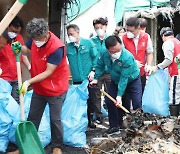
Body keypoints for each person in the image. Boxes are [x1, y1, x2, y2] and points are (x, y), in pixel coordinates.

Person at [18, 18, 69, 154]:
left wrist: (28, 82)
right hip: (40, 89)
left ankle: (57, 146)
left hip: (56, 89)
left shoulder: (57, 48)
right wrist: (18, 48)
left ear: (46, 34)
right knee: (33, 117)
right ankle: (25, 146)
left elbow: (48, 72)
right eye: (34, 39)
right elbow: (26, 50)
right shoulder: (35, 38)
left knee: (55, 119)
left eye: (38, 39)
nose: (36, 42)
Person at [90, 35, 142, 134]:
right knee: (109, 101)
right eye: (113, 52)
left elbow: (124, 78)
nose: (117, 53)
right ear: (108, 50)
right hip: (115, 79)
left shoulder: (127, 57)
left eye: (119, 50)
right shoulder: (103, 53)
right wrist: (96, 78)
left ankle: (138, 127)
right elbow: (100, 66)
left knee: (136, 102)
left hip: (132, 79)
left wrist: (119, 96)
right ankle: (114, 126)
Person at [66, 24, 98, 128]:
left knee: (91, 100)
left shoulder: (88, 43)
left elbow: (95, 57)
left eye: (72, 34)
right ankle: (80, 121)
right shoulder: (68, 47)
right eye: (68, 34)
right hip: (76, 79)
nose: (70, 36)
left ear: (78, 32)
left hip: (88, 78)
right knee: (78, 101)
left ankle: (90, 120)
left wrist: (93, 70)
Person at [0, 16, 31, 104]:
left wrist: (29, 66)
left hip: (17, 76)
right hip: (4, 77)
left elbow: (22, 54)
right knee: (4, 102)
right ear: (7, 27)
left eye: (17, 32)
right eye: (13, 31)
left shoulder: (19, 38)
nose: (15, 34)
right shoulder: (2, 39)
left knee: (16, 101)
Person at [122, 17, 153, 93]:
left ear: (138, 28)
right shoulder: (123, 37)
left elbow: (149, 52)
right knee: (126, 98)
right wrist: (132, 62)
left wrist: (148, 65)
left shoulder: (146, 37)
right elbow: (121, 55)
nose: (129, 33)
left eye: (131, 31)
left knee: (139, 96)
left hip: (141, 72)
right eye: (127, 30)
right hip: (127, 72)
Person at [151, 27, 180, 107]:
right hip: (178, 70)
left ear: (163, 36)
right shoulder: (177, 41)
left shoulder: (167, 43)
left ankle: (174, 118)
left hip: (176, 73)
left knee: (174, 96)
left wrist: (157, 67)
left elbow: (168, 60)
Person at [90, 17, 111, 123]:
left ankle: (112, 115)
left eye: (101, 27)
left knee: (110, 94)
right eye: (96, 28)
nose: (99, 29)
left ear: (105, 27)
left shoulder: (111, 39)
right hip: (96, 73)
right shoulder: (91, 42)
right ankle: (98, 116)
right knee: (96, 95)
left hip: (109, 71)